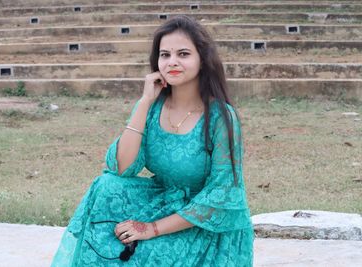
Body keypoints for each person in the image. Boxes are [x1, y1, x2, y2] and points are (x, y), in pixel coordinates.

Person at [51, 15, 254, 267]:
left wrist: (151, 229)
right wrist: (144, 103)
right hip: (162, 200)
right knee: (105, 186)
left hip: (205, 223)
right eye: (165, 55)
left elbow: (221, 196)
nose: (172, 62)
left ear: (202, 60)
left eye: (183, 54)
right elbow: (121, 168)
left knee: (147, 255)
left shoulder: (221, 117)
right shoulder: (153, 107)